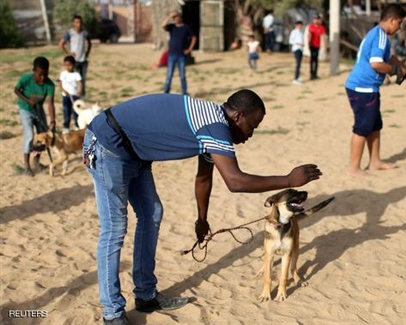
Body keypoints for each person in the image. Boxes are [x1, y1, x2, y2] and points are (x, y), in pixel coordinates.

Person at [83, 89, 322, 324]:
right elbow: (235, 181)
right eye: (253, 125)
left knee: (152, 213)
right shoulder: (216, 127)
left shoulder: (214, 127)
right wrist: (289, 180)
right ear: (238, 116)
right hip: (107, 143)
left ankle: (145, 294)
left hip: (134, 152)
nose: (251, 133)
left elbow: (204, 177)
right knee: (114, 228)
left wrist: (202, 219)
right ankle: (112, 312)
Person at [344, 3, 406, 177]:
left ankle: (375, 162)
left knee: (375, 126)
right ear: (392, 20)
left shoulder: (378, 34)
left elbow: (388, 58)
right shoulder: (380, 36)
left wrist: (405, 67)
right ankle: (353, 168)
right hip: (363, 89)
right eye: (399, 23)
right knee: (362, 128)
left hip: (368, 89)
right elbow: (376, 64)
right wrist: (395, 71)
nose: (399, 28)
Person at [14, 56, 56, 177]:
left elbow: (50, 103)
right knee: (29, 135)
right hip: (25, 109)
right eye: (40, 74)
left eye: (46, 74)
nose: (43, 78)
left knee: (42, 135)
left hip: (38, 110)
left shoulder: (49, 85)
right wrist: (26, 100)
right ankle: (26, 166)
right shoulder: (26, 79)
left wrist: (52, 121)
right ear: (34, 71)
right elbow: (16, 90)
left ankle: (36, 162)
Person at [162, 10, 197, 94]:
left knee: (182, 76)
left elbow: (194, 38)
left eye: (176, 17)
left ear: (180, 17)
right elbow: (163, 25)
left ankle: (184, 92)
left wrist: (189, 49)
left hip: (181, 55)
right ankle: (166, 92)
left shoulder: (186, 28)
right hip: (171, 55)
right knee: (169, 75)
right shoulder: (171, 27)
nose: (175, 19)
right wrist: (170, 16)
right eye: (174, 18)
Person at [59, 15, 91, 98]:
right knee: (73, 79)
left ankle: (82, 97)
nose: (79, 24)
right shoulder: (70, 33)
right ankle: (72, 96)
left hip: (83, 60)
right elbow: (61, 44)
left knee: (82, 79)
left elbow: (89, 43)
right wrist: (68, 53)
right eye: (76, 22)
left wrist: (87, 53)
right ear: (73, 23)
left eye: (80, 22)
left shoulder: (84, 33)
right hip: (74, 61)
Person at [58, 55, 83, 132]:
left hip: (74, 96)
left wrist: (79, 92)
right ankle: (66, 126)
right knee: (66, 111)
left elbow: (79, 83)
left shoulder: (76, 74)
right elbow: (60, 83)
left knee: (76, 111)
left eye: (70, 65)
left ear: (73, 65)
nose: (68, 67)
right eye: (66, 65)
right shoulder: (63, 74)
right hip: (66, 96)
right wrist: (63, 90)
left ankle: (77, 125)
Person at [307, 15, 326, 80]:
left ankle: (315, 74)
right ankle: (311, 74)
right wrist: (308, 43)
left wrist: (324, 46)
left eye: (317, 19)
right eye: (315, 19)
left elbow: (323, 37)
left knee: (316, 60)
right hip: (311, 45)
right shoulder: (311, 27)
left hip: (318, 46)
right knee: (312, 60)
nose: (316, 20)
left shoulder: (321, 28)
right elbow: (309, 35)